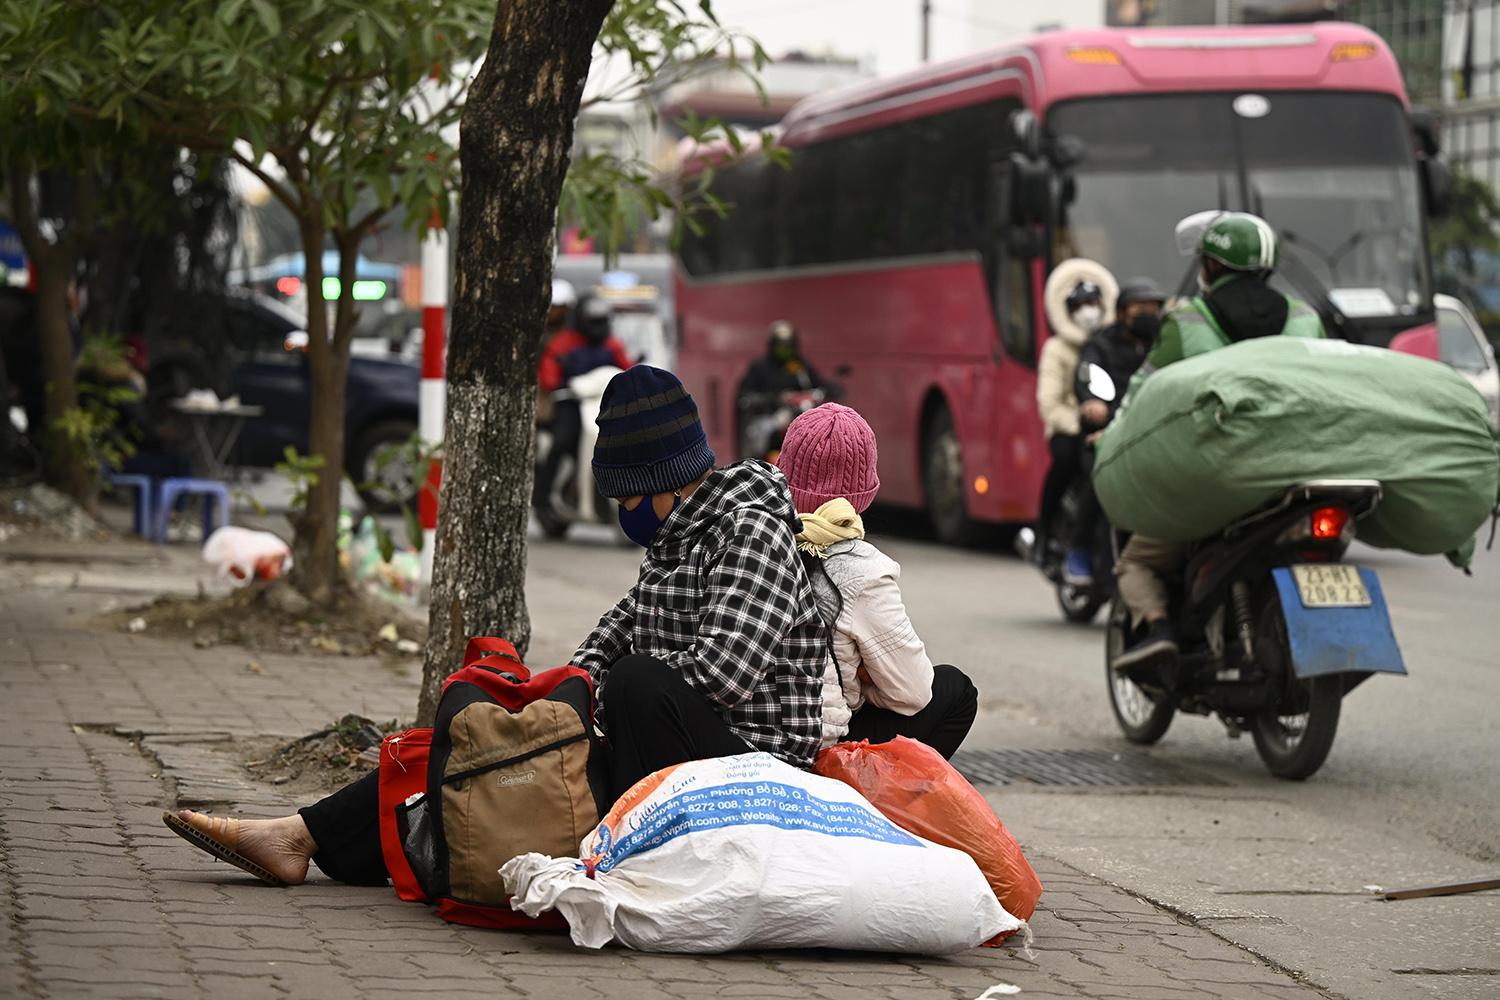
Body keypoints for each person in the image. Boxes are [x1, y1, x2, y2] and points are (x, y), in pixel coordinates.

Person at [165, 366, 829, 887]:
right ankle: (300, 836)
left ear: (670, 482)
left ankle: (308, 839)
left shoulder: (751, 529)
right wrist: (552, 699)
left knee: (630, 685)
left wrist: (592, 703)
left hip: (750, 768)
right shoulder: (676, 538)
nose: (625, 513)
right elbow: (617, 628)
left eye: (629, 497)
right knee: (487, 743)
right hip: (660, 746)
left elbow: (723, 672)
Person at [1111, 213, 1325, 675]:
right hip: (1299, 473)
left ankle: (1160, 627)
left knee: (1137, 561)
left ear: (1209, 267)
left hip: (1210, 479)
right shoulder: (1307, 319)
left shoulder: (1188, 318)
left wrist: (1110, 432)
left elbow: (1141, 393)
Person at [777, 403, 978, 759]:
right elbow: (912, 693)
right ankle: (877, 807)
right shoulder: (860, 570)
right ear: (862, 493)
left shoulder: (750, 534)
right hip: (817, 746)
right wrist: (863, 685)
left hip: (743, 734)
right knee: (956, 689)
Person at [1065, 278, 1167, 584]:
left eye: (1154, 310)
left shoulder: (1162, 344)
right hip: (1106, 429)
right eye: (1141, 310)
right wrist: (1091, 401)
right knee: (1100, 479)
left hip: (1148, 430)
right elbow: (1087, 375)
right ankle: (1078, 548)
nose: (1148, 316)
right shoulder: (1101, 345)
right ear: (1122, 313)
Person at [1033, 259, 1117, 576]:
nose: (1088, 310)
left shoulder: (1111, 345)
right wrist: (1081, 424)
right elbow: (1050, 402)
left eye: (1093, 302)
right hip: (1068, 428)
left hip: (1107, 428)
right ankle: (1044, 530)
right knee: (1066, 459)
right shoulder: (1056, 349)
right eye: (1080, 305)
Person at [536, 288, 633, 511]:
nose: (597, 325)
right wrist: (556, 384)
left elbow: (626, 367)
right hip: (571, 404)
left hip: (605, 406)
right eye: (592, 320)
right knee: (562, 440)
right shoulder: (564, 343)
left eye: (600, 320)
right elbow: (548, 369)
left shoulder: (612, 344)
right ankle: (544, 493)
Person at [736, 320, 836, 459]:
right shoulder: (760, 367)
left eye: (788, 347)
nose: (784, 351)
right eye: (780, 346)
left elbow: (818, 385)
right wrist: (779, 398)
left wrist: (832, 389)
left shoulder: (800, 367)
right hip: (769, 423)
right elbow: (746, 397)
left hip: (798, 422)